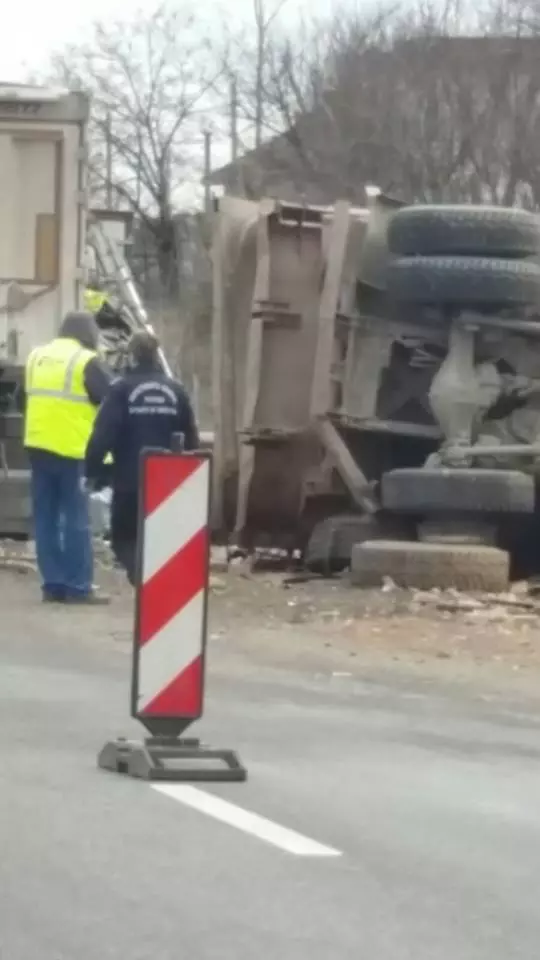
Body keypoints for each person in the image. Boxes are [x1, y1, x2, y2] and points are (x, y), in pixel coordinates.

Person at [85, 330, 199, 585]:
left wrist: (92, 469)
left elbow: (104, 433)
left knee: (123, 537)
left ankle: (140, 572)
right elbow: (191, 435)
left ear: (132, 356)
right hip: (167, 481)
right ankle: (156, 576)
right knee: (160, 534)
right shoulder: (176, 390)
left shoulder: (121, 390)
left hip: (129, 479)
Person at [24, 311, 113, 604]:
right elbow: (110, 398)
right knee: (76, 519)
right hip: (72, 450)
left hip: (37, 445)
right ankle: (77, 587)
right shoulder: (85, 361)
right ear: (88, 334)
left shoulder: (36, 356)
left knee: (46, 518)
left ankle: (52, 584)